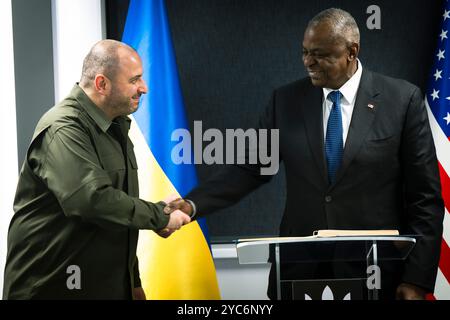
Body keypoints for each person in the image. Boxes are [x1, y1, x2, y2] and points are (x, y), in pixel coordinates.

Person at [164, 8, 444, 300]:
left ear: (352, 51)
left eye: (321, 54)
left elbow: (425, 199)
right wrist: (193, 204)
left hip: (375, 270)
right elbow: (250, 169)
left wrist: (417, 279)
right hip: (298, 270)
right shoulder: (286, 101)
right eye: (305, 52)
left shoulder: (401, 100)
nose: (308, 62)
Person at [3, 40, 191, 300]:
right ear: (102, 84)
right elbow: (91, 200)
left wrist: (132, 281)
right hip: (51, 289)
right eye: (134, 80)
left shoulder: (116, 127)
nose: (144, 88)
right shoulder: (64, 128)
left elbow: (114, 216)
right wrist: (158, 216)